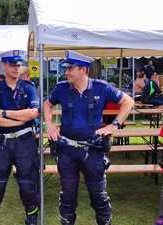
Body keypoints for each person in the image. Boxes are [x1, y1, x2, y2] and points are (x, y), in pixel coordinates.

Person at [44, 50, 134, 225]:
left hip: (93, 150)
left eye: (70, 68)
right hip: (67, 150)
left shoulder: (101, 87)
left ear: (83, 69)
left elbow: (128, 101)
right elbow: (47, 104)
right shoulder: (62, 88)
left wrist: (113, 125)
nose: (66, 72)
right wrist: (49, 124)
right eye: (66, 68)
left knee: (98, 196)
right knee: (68, 196)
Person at [0, 50, 40, 225]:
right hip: (1, 142)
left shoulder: (29, 87)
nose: (16, 68)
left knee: (27, 183)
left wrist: (6, 114)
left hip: (25, 142)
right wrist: (17, 121)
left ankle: (31, 216)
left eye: (18, 65)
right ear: (4, 65)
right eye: (12, 65)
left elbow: (32, 113)